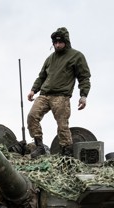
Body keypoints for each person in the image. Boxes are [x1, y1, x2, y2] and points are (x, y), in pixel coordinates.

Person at [27, 27, 91, 158]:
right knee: (32, 116)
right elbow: (42, 76)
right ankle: (39, 146)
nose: (57, 45)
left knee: (62, 126)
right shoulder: (50, 59)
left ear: (66, 41)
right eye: (55, 43)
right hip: (44, 94)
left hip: (61, 96)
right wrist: (33, 90)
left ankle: (66, 152)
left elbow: (84, 77)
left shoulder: (76, 56)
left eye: (60, 42)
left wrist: (83, 96)